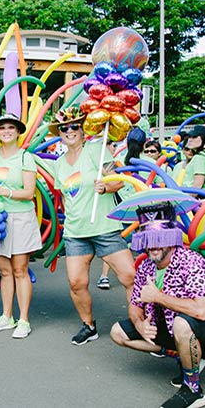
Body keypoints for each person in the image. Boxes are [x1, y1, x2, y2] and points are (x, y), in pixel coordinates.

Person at [110, 202, 205, 408]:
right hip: (175, 328)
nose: (153, 246)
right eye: (148, 240)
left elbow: (201, 311)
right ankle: (185, 356)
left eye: (159, 240)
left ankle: (193, 391)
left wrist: (157, 297)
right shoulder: (145, 266)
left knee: (182, 323)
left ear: (171, 238)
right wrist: (139, 324)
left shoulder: (192, 262)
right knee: (118, 332)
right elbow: (135, 304)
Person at [47, 107, 136, 346]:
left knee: (129, 276)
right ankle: (88, 325)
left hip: (105, 227)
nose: (69, 131)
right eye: (64, 128)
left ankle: (139, 324)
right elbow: (65, 197)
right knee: (76, 283)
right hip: (76, 233)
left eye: (74, 126)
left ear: (83, 130)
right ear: (60, 134)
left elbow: (118, 180)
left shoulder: (97, 150)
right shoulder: (58, 164)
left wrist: (106, 187)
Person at [0, 113, 42, 339]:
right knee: (5, 272)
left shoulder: (25, 157)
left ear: (17, 132)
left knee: (20, 270)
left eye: (11, 128)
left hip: (21, 218)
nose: (6, 131)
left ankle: (23, 319)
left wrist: (3, 191)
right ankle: (6, 316)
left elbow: (28, 193)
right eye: (2, 128)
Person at [181, 126, 205, 191]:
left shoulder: (200, 158)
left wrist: (185, 200)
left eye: (194, 137)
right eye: (189, 136)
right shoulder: (199, 156)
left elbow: (197, 186)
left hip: (195, 198)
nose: (190, 139)